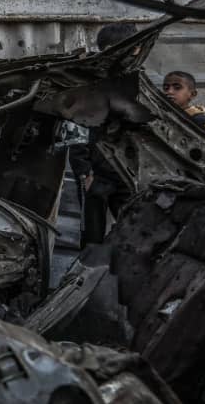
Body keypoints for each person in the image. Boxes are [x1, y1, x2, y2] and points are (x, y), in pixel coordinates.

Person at [68, 22, 139, 246]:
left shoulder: (139, 84)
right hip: (96, 175)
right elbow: (76, 129)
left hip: (127, 175)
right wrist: (84, 172)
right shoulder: (91, 84)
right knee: (92, 237)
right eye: (109, 51)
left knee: (133, 234)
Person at [162, 71, 205, 143]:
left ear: (192, 94)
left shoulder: (202, 122)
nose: (169, 91)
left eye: (177, 88)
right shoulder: (163, 116)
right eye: (166, 88)